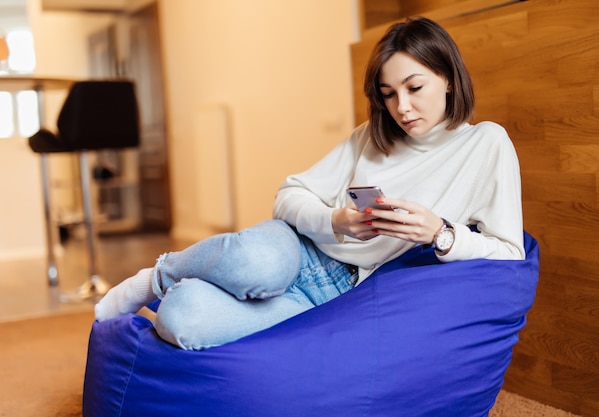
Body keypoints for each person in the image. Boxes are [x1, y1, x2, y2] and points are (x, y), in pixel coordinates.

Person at [95, 17, 525, 350]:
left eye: (415, 87)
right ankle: (154, 278)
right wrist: (335, 219)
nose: (403, 107)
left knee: (181, 321)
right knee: (255, 266)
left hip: (335, 298)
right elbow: (288, 195)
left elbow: (509, 252)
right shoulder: (369, 136)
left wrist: (441, 235)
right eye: (388, 93)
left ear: (448, 78)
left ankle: (196, 287)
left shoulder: (486, 144)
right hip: (298, 251)